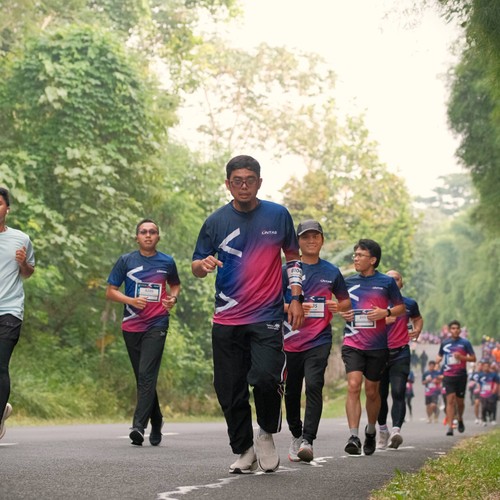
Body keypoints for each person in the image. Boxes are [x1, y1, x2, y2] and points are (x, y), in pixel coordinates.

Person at [191, 155, 304, 474]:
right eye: (237, 181)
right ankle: (244, 449)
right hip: (227, 318)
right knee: (229, 388)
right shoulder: (215, 221)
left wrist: (296, 297)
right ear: (228, 184)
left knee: (267, 378)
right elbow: (196, 264)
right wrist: (203, 265)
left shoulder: (278, 215)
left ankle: (265, 433)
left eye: (250, 180)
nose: (244, 186)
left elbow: (293, 259)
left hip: (266, 316)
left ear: (259, 182)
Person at [106, 219, 180, 446]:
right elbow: (110, 291)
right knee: (142, 377)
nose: (148, 235)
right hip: (131, 325)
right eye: (143, 232)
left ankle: (138, 426)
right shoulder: (126, 261)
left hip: (157, 324)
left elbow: (175, 285)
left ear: (158, 237)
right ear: (136, 237)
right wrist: (130, 301)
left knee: (147, 374)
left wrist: (172, 298)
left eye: (152, 232)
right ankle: (157, 420)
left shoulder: (167, 261)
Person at [282, 219, 351, 463]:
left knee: (313, 385)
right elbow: (270, 302)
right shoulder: (287, 270)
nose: (311, 241)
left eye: (315, 236)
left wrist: (336, 305)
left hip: (319, 339)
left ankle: (308, 440)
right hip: (290, 340)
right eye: (305, 237)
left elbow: (345, 302)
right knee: (291, 391)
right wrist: (292, 306)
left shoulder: (331, 271)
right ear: (298, 241)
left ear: (322, 240)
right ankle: (296, 434)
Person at [338, 239, 405, 456]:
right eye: (355, 255)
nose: (356, 258)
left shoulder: (386, 282)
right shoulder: (348, 282)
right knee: (353, 385)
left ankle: (370, 431)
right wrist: (343, 313)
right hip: (352, 342)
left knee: (372, 391)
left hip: (377, 346)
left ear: (373, 260)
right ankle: (353, 436)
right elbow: (341, 306)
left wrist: (385, 313)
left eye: (360, 255)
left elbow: (401, 308)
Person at [0, 187, 35, 441]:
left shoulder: (21, 239)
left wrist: (23, 262)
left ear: (7, 209)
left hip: (10, 310)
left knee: (0, 365)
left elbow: (28, 273)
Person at [376, 270, 423, 450]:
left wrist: (417, 329)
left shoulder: (409, 303)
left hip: (401, 353)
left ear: (401, 283)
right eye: (389, 279)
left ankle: (396, 431)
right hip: (379, 354)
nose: (393, 281)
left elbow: (418, 318)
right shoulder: (376, 303)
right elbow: (362, 322)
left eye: (396, 279)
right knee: (379, 395)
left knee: (398, 391)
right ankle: (382, 430)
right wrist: (382, 320)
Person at [435, 320, 476, 436]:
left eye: (457, 328)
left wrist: (462, 357)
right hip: (448, 376)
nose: (455, 330)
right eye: (453, 328)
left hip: (461, 375)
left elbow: (473, 358)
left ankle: (460, 418)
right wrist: (438, 360)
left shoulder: (465, 343)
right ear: (449, 330)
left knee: (460, 402)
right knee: (450, 400)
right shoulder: (445, 343)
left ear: (460, 330)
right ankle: (450, 426)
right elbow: (439, 355)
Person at [479, 361, 499, 426]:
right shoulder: (480, 375)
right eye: (485, 366)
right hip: (483, 393)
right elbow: (478, 383)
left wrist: (496, 390)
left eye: (487, 366)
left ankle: (493, 419)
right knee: (484, 407)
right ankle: (484, 420)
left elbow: (497, 383)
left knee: (492, 406)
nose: (486, 368)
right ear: (483, 367)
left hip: (492, 393)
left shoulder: (493, 375)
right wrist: (479, 390)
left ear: (489, 367)